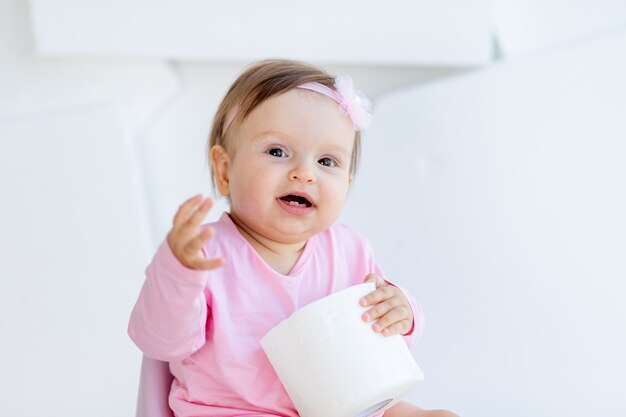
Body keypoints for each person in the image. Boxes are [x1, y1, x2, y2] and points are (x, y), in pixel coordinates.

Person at [128, 59, 457, 417]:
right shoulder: (203, 255)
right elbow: (159, 341)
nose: (304, 173)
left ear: (347, 185)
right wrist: (179, 273)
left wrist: (403, 313)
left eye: (327, 161)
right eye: (277, 152)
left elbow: (382, 336)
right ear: (225, 171)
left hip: (343, 404)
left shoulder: (350, 249)